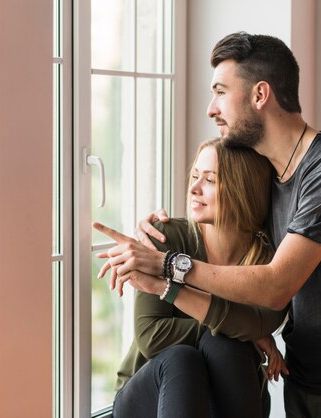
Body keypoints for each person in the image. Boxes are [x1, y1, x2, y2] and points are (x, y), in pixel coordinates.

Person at [95, 31, 321, 417]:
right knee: (218, 347)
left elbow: (276, 285)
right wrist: (153, 230)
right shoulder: (272, 180)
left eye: (220, 92)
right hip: (307, 379)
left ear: (260, 95)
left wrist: (167, 266)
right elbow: (222, 217)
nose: (211, 109)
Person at [97, 138, 287, 418]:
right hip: (151, 397)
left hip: (226, 399)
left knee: (224, 344)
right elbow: (150, 335)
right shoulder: (165, 237)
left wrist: (244, 331)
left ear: (242, 189)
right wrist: (242, 330)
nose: (194, 189)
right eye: (195, 176)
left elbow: (260, 322)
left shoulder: (269, 261)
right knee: (182, 357)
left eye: (209, 180)